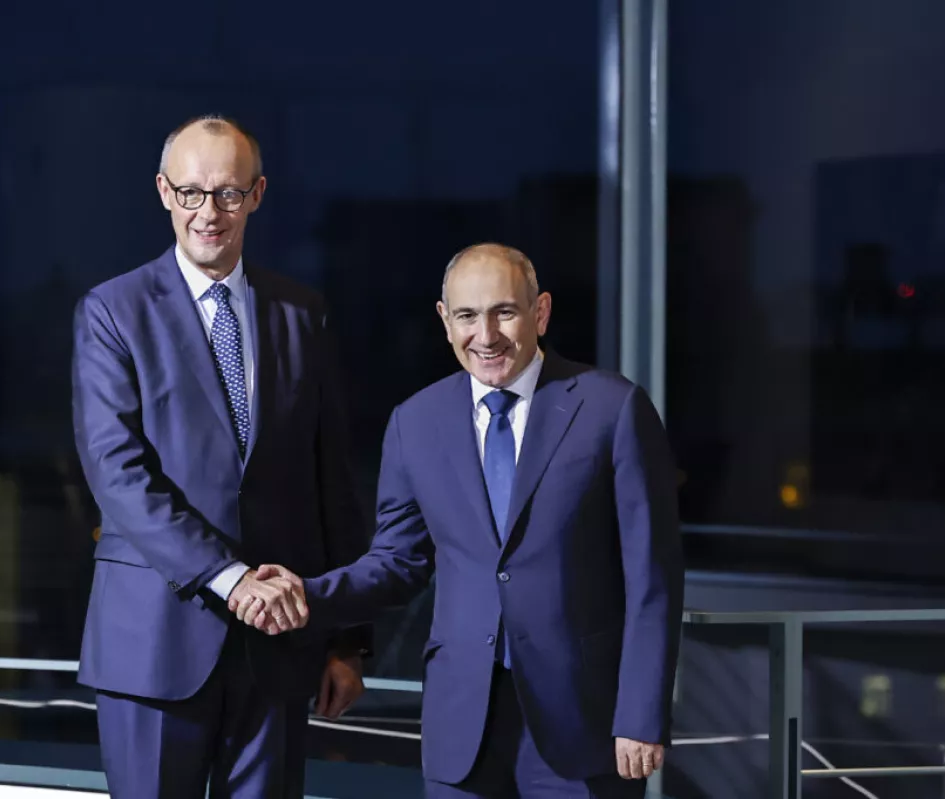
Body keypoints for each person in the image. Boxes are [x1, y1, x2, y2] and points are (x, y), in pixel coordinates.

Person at [242, 244, 684, 797]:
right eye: (468, 315)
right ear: (445, 320)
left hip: (585, 725)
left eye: (505, 312)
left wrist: (640, 715)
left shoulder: (611, 409)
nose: (486, 335)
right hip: (462, 725)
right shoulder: (415, 422)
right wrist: (308, 594)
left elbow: (653, 578)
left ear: (541, 312)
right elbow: (397, 563)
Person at [71, 114, 370, 799]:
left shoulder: (303, 313)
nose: (209, 212)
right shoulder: (112, 311)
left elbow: (331, 484)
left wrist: (346, 639)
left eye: (229, 193)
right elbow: (118, 473)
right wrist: (228, 578)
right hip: (153, 644)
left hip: (279, 647)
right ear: (163, 192)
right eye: (191, 192)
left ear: (256, 195)